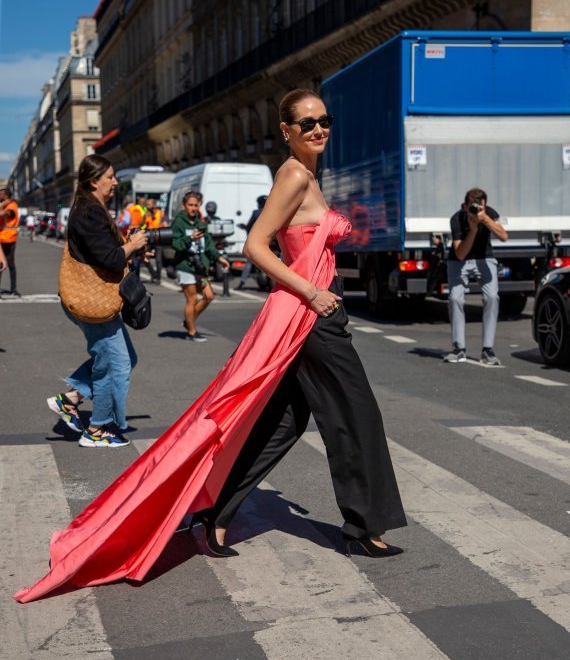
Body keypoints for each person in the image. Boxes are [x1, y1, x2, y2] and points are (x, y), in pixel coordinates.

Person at [14, 88, 406, 604]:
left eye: (323, 120)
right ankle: (362, 528)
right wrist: (313, 292)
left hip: (305, 315)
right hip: (309, 316)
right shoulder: (292, 174)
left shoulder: (307, 175)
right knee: (356, 414)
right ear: (285, 130)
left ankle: (215, 514)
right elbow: (255, 245)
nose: (318, 129)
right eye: (305, 123)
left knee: (280, 424)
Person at [46, 154, 148, 448]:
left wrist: (132, 247)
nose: (115, 182)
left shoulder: (92, 208)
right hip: (92, 302)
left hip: (98, 301)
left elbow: (105, 251)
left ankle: (70, 399)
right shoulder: (89, 212)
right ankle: (97, 429)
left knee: (125, 359)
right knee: (114, 364)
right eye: (110, 177)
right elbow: (112, 258)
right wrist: (132, 245)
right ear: (94, 181)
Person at [444, 187, 508, 365]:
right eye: (472, 208)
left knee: (492, 297)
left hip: (484, 257)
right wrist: (472, 230)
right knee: (455, 298)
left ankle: (488, 350)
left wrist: (486, 219)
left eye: (480, 208)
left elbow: (504, 236)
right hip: (459, 260)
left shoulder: (488, 214)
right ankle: (459, 348)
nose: (476, 212)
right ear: (465, 206)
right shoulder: (456, 219)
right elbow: (460, 254)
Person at [171, 191, 230, 342]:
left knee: (209, 296)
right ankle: (191, 331)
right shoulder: (179, 222)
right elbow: (176, 244)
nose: (193, 208)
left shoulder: (201, 223)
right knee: (191, 299)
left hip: (200, 268)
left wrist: (219, 258)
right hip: (186, 266)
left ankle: (188, 320)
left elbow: (209, 246)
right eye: (190, 205)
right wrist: (190, 238)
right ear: (184, 205)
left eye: (196, 205)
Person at [236, 194, 268, 290]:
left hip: (259, 242)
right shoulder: (271, 212)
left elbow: (249, 226)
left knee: (249, 262)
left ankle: (241, 283)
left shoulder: (256, 213)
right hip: (273, 243)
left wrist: (246, 229)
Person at [0, 186, 21, 295]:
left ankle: (14, 289)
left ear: (6, 195)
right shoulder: (6, 205)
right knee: (1, 264)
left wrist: (2, 205)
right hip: (2, 238)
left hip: (9, 239)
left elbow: (3, 214)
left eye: (1, 193)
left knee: (10, 264)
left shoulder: (12, 206)